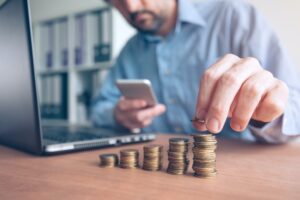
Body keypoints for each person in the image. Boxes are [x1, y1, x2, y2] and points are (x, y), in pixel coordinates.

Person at [92, 0, 300, 143]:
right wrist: (116, 114)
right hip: (159, 174)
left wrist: (268, 114)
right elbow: (98, 109)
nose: (131, 6)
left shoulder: (234, 14)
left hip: (237, 172)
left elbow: (295, 113)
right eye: (117, 1)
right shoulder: (130, 50)